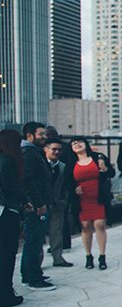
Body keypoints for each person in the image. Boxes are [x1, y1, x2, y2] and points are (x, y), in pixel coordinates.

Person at [65, 138, 115, 270]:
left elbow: (112, 173)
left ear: (85, 144)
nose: (77, 144)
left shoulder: (98, 158)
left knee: (100, 224)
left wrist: (104, 169)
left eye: (79, 142)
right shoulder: (71, 164)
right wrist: (74, 189)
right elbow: (67, 182)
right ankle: (88, 256)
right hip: (81, 200)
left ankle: (102, 256)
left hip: (98, 197)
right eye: (73, 144)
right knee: (85, 226)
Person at [20, 122, 56, 291]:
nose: (44, 137)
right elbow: (27, 180)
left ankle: (29, 275)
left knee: (32, 240)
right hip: (36, 206)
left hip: (36, 204)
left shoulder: (32, 152)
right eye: (41, 134)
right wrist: (38, 203)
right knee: (34, 241)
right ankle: (34, 279)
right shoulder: (29, 153)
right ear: (30, 136)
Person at [0, 129, 27, 307]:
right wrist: (25, 200)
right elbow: (10, 187)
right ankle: (6, 295)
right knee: (7, 255)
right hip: (7, 213)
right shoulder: (8, 161)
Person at [44, 139, 72, 267]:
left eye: (59, 150)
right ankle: (36, 263)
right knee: (38, 236)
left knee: (56, 232)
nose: (57, 152)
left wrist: (63, 200)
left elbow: (66, 185)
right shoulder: (40, 163)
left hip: (57, 204)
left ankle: (58, 258)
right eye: (54, 149)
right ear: (46, 149)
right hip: (41, 204)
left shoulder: (63, 166)